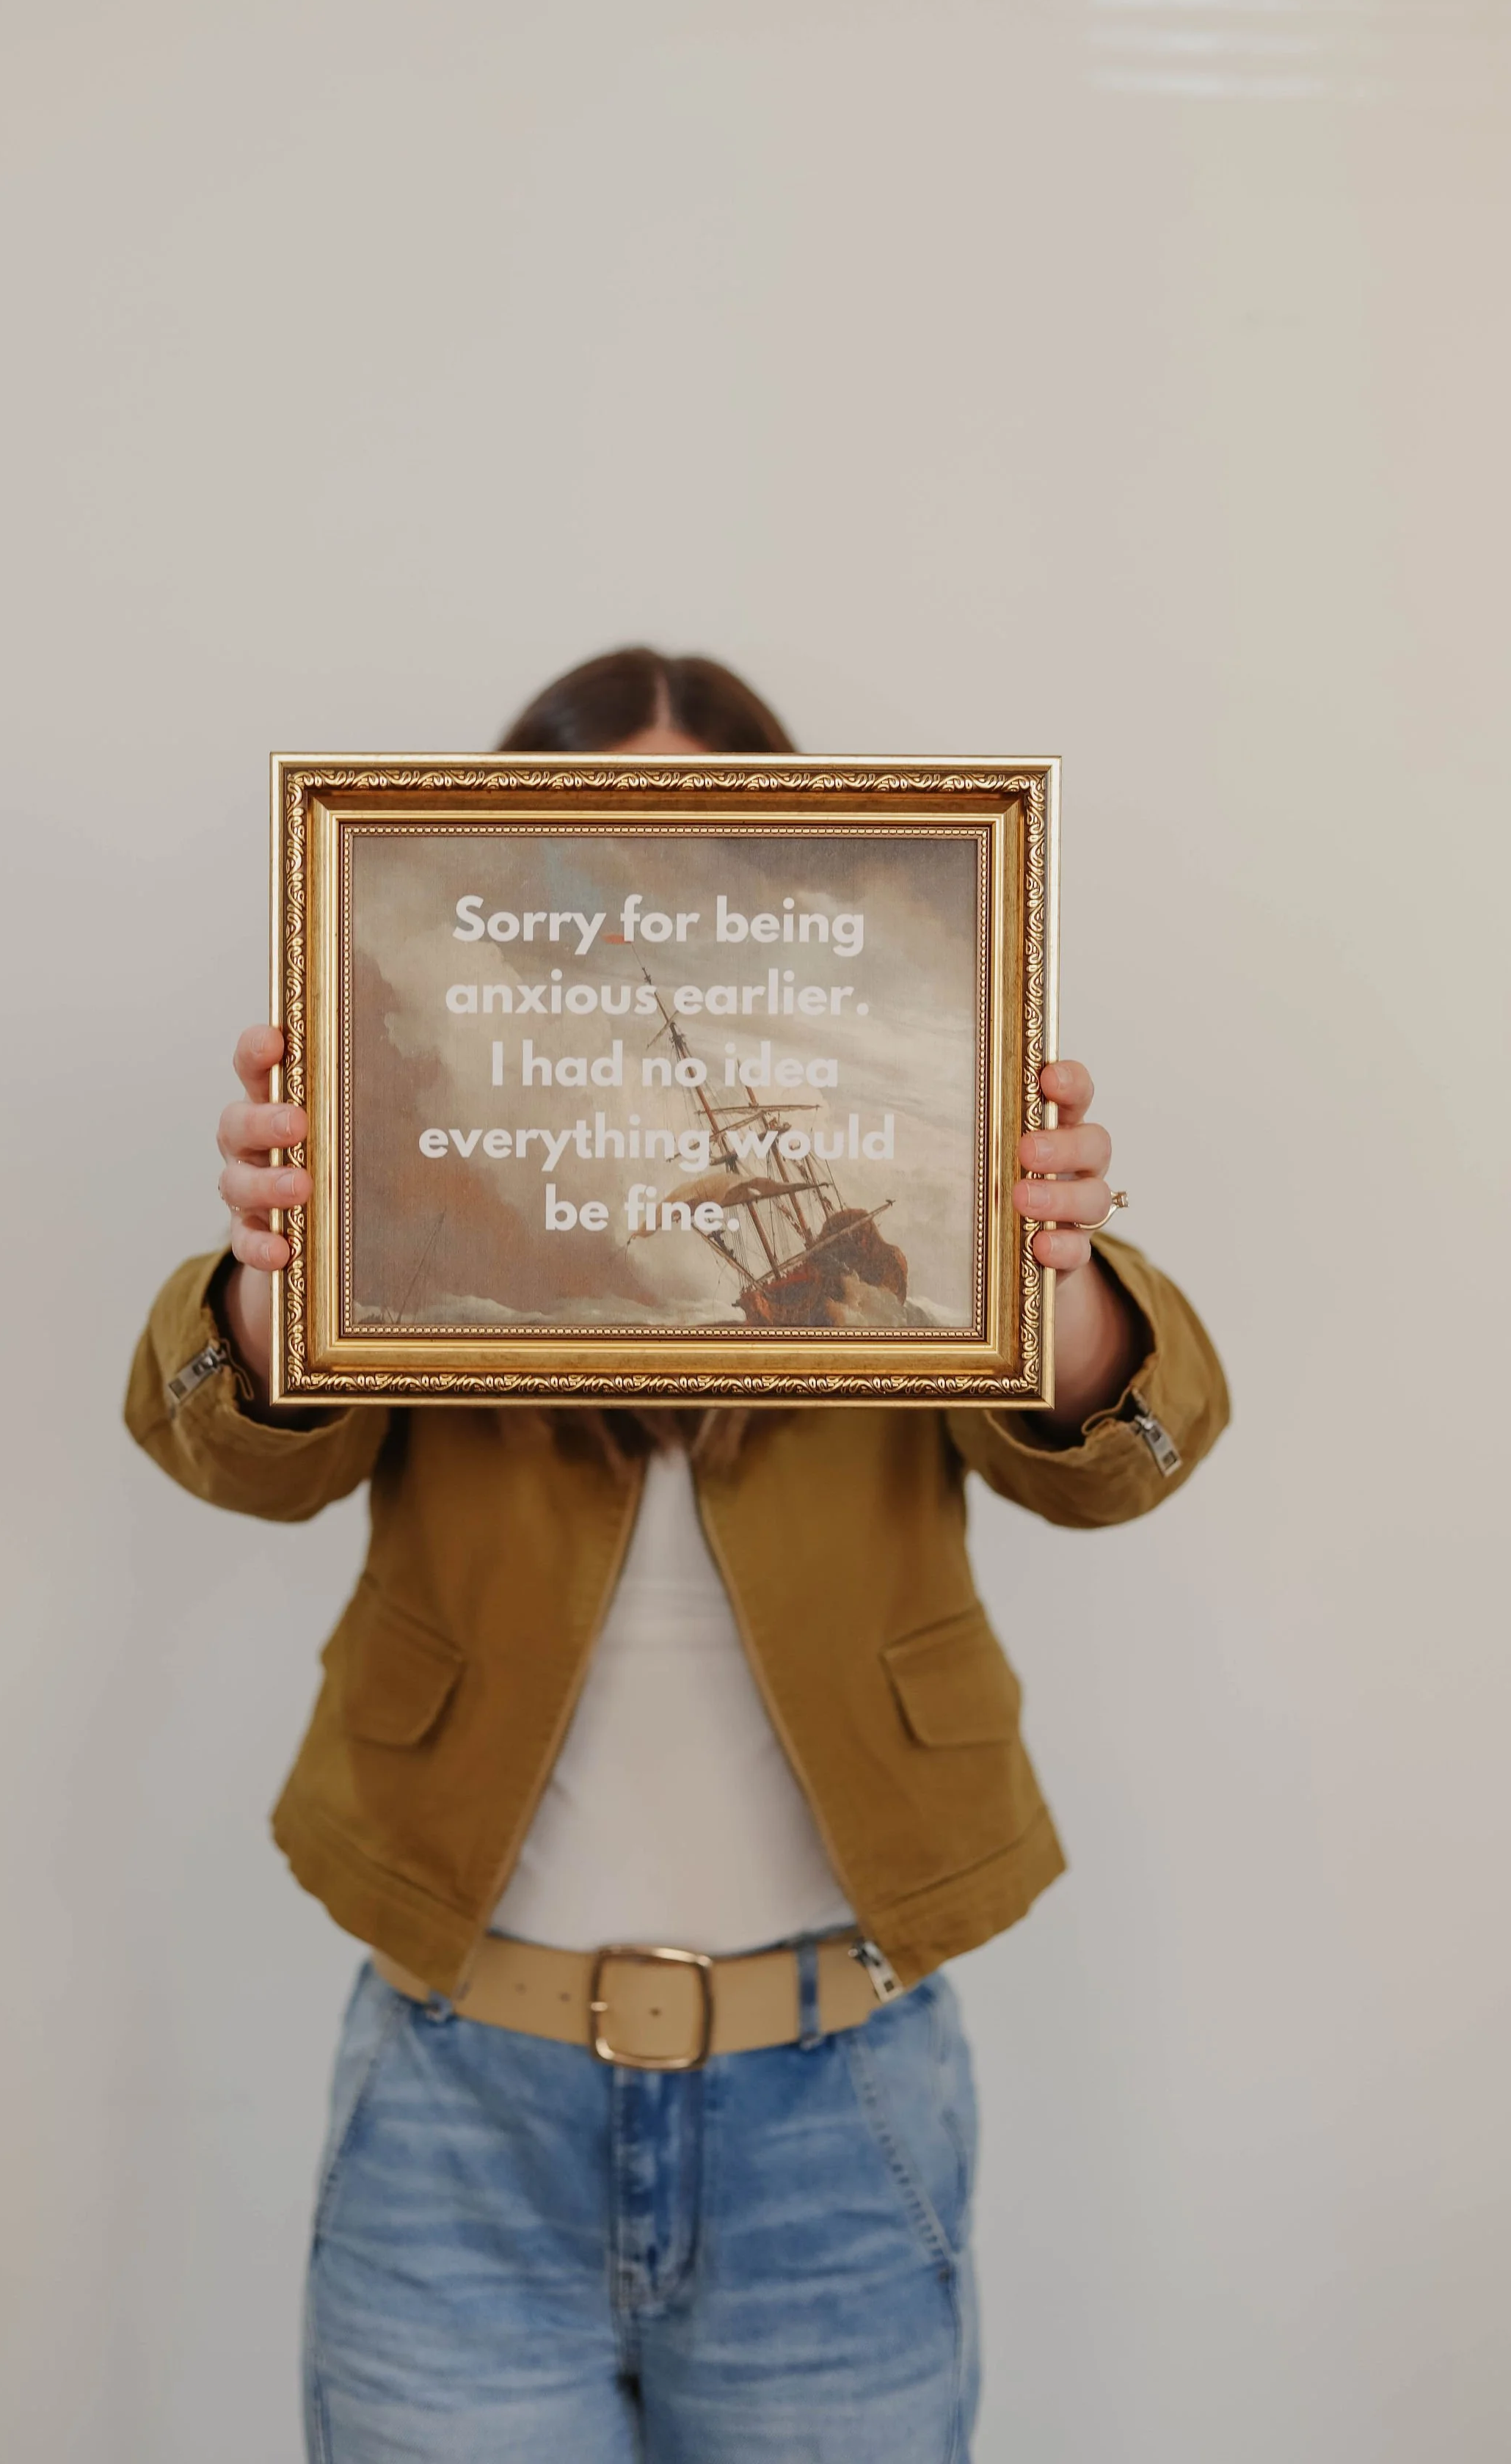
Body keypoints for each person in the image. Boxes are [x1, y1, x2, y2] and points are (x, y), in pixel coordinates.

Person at [125, 647, 1229, 2464]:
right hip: (458, 2093)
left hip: (842, 2092)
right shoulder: (435, 1155)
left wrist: (1063, 1299)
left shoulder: (897, 1128)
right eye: (597, 857)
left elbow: (1117, 1466)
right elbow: (241, 1464)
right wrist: (271, 1290)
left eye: (703, 856)